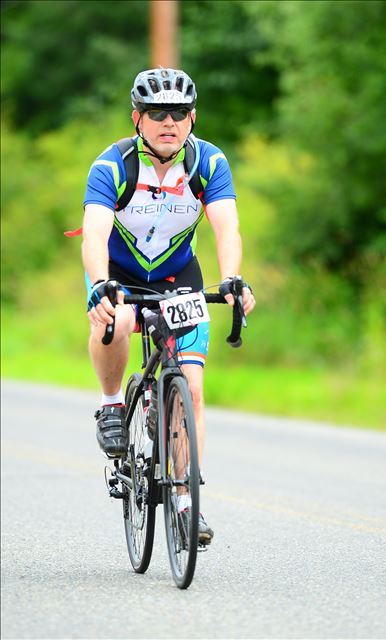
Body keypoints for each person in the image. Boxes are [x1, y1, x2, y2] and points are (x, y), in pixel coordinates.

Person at [82, 67, 255, 544]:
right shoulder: (113, 166)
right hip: (118, 272)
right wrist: (99, 284)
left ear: (192, 118)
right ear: (137, 118)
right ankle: (112, 403)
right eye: (157, 113)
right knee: (113, 318)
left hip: (180, 276)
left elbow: (227, 228)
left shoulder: (209, 162)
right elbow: (94, 233)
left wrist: (233, 280)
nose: (169, 122)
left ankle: (184, 501)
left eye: (179, 113)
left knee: (192, 391)